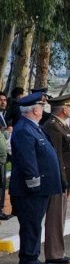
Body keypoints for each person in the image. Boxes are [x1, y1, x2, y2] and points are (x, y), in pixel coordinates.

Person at [9, 93, 61, 264]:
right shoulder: (24, 129)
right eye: (41, 106)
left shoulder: (33, 127)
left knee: (34, 223)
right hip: (29, 189)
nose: (43, 109)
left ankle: (32, 255)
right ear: (35, 110)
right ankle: (29, 259)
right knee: (31, 224)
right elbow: (28, 160)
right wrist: (34, 184)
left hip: (38, 188)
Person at [42, 94, 70, 264]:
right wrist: (61, 179)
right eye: (69, 107)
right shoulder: (53, 126)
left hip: (64, 179)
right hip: (58, 179)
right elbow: (56, 157)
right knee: (55, 217)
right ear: (63, 109)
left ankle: (59, 251)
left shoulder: (61, 125)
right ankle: (54, 253)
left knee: (60, 216)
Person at [0, 90, 10, 220]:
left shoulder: (2, 115)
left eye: (5, 100)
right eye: (1, 100)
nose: (3, 103)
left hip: (3, 157)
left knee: (2, 185)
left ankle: (1, 209)